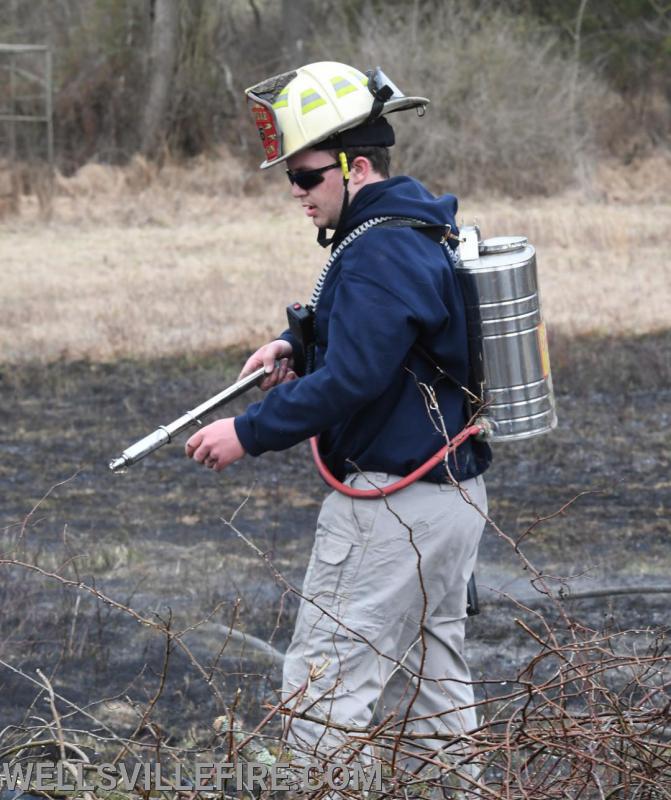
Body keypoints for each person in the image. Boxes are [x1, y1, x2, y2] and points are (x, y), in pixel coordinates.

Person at [185, 62, 491, 789]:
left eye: (306, 176)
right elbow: (387, 345)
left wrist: (249, 431)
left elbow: (356, 376)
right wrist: (297, 343)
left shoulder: (379, 248)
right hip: (447, 504)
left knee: (320, 696)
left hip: (391, 509)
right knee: (434, 701)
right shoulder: (407, 233)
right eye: (289, 178)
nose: (295, 193)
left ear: (356, 167)